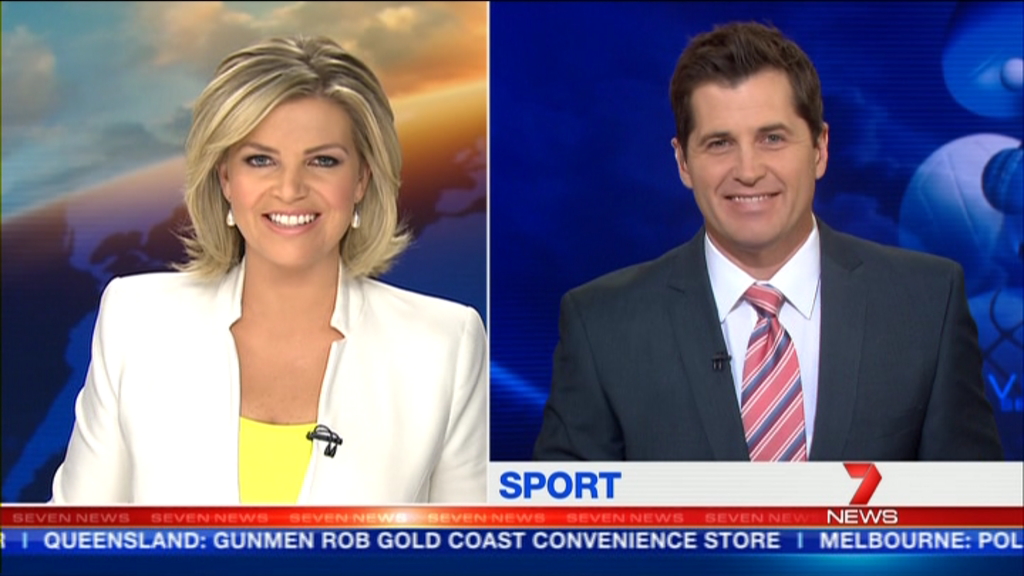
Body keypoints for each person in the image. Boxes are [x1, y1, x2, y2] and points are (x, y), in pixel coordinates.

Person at [533, 22, 1003, 461]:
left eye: (772, 139)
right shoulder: (602, 325)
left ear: (819, 149)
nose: (749, 170)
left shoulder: (928, 303)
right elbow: (568, 521)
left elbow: (974, 512)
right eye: (719, 143)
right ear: (683, 162)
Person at [50, 36, 488, 503]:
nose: (290, 189)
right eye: (260, 160)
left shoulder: (444, 344)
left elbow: (471, 542)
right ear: (225, 177)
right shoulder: (137, 319)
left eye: (323, 161)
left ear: (361, 179)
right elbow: (73, 533)